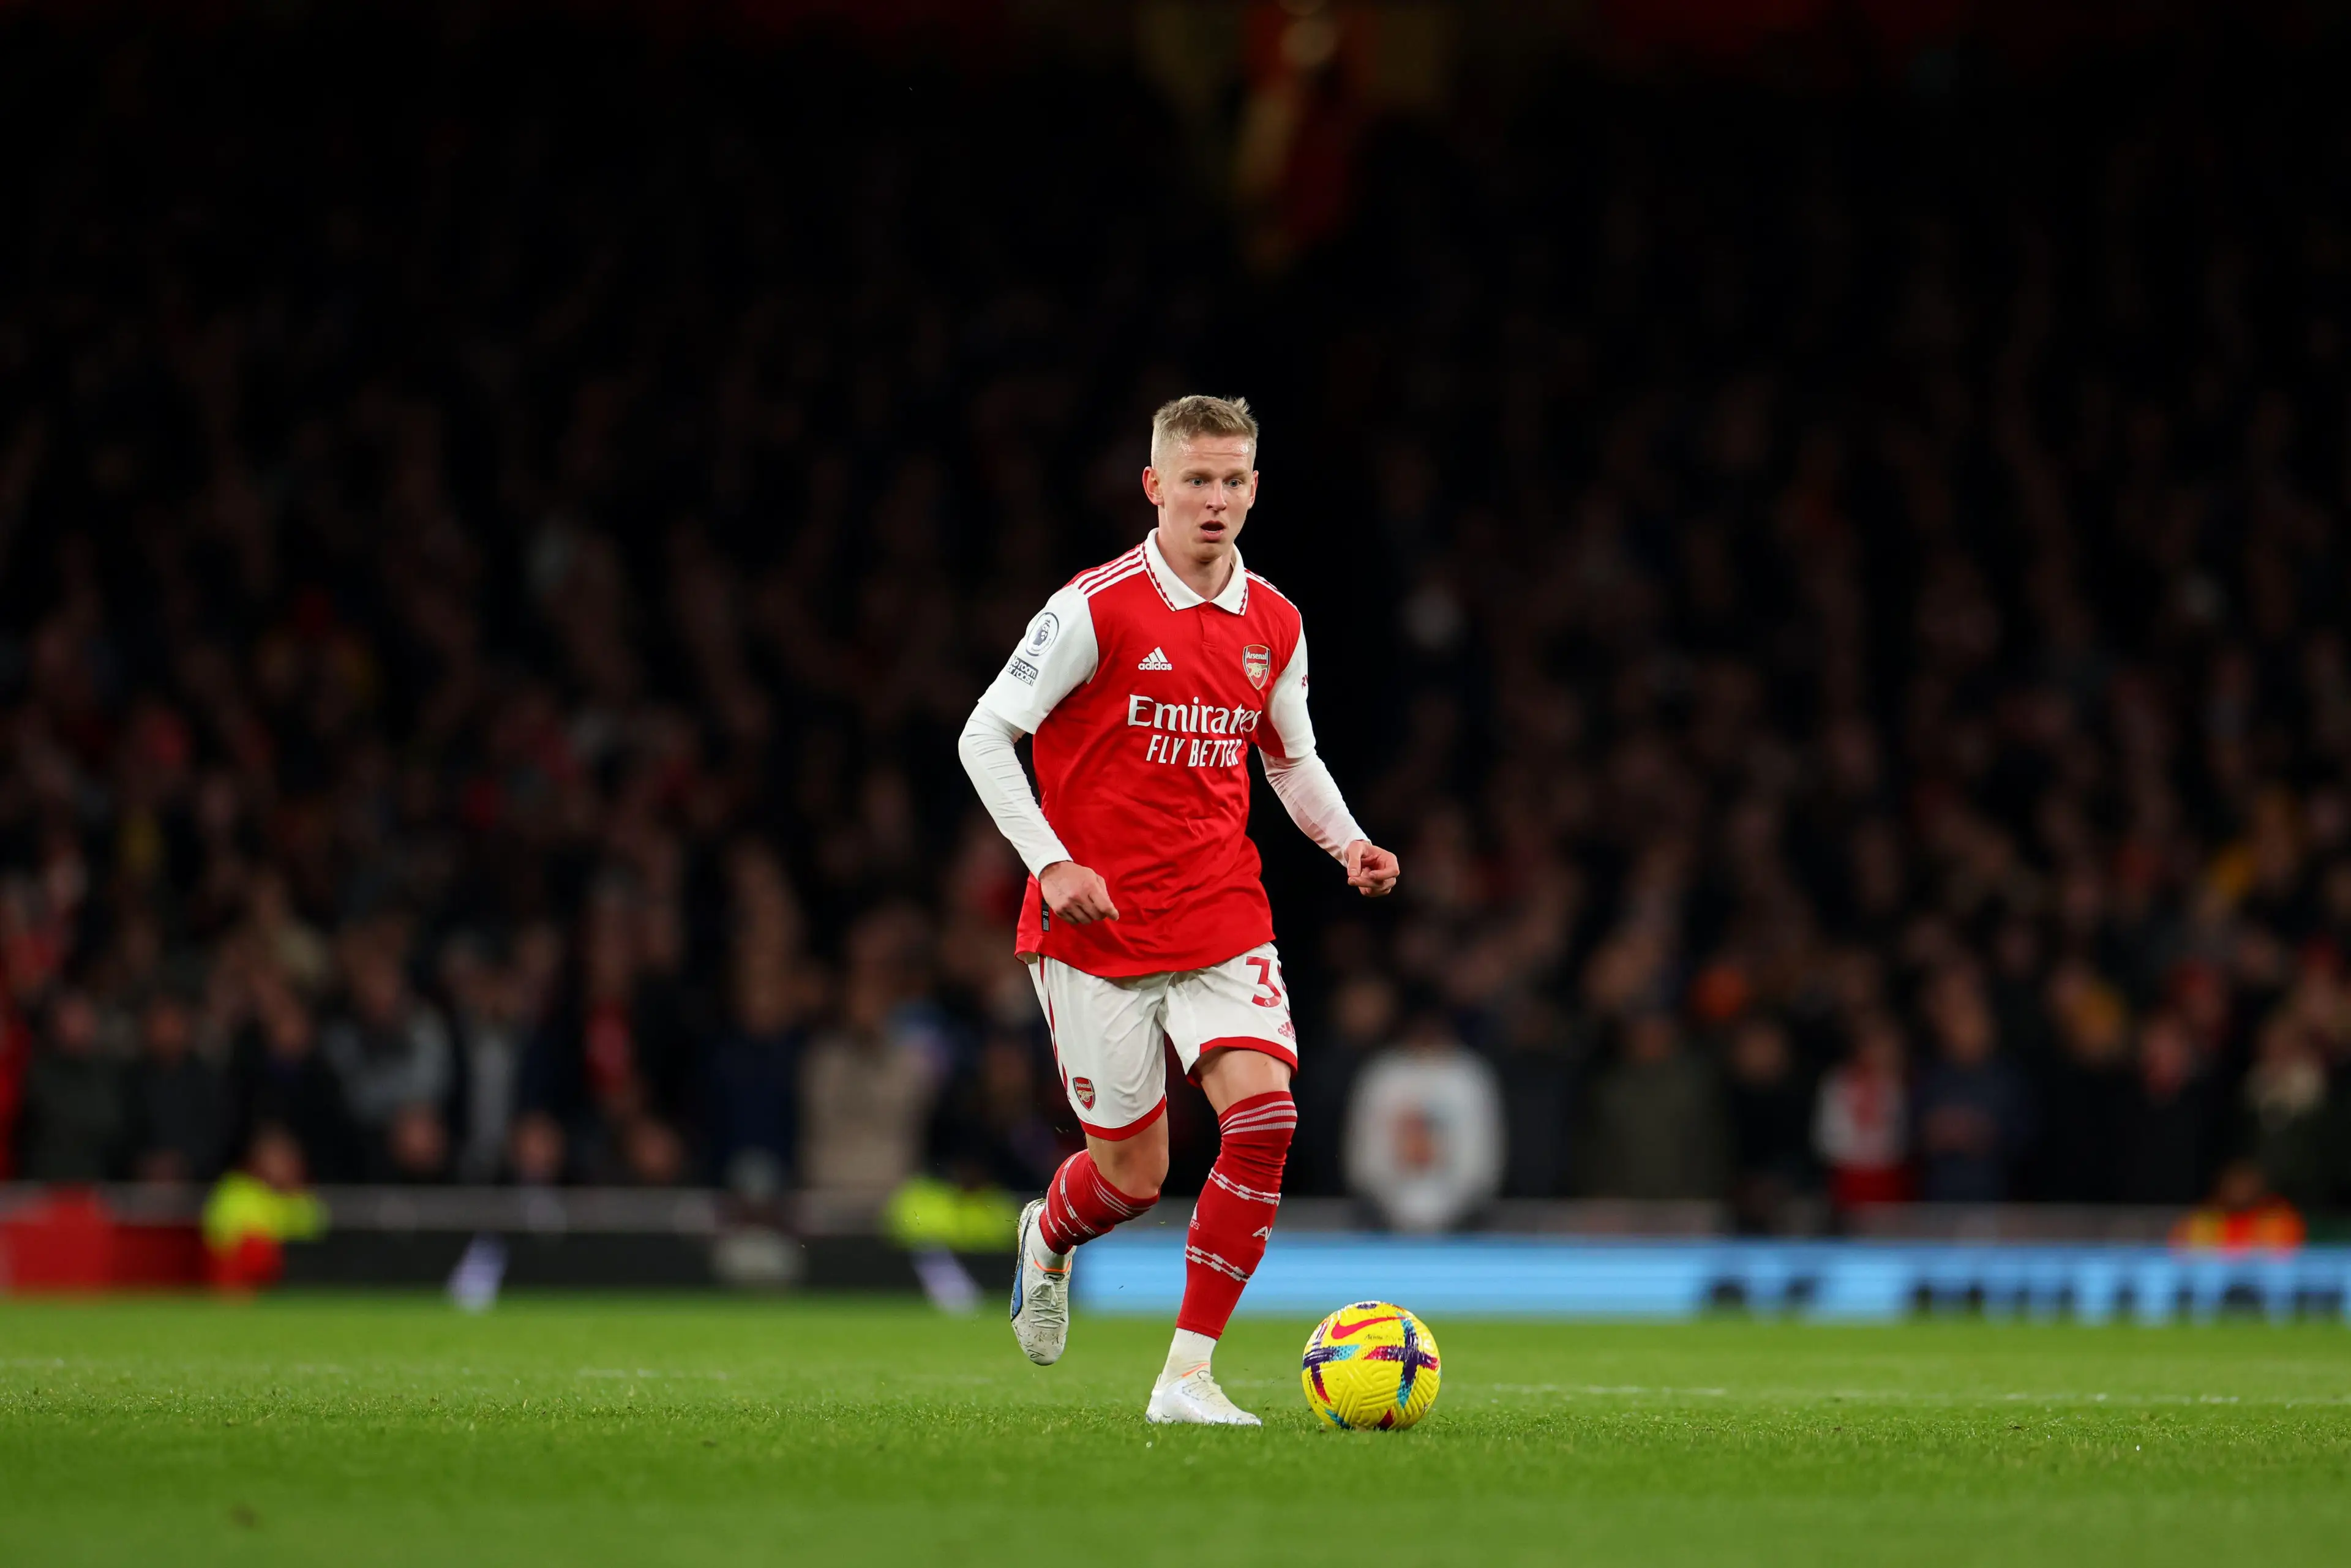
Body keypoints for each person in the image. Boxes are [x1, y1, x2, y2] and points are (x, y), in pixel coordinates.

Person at [957, 395, 1399, 1425]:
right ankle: (1049, 1236)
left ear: (1254, 488)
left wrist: (1349, 843)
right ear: (1154, 486)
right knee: (1132, 1176)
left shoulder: (1275, 621)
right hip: (1096, 927)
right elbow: (986, 736)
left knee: (1266, 1117)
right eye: (1195, 479)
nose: (1215, 499)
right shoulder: (1093, 607)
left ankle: (1186, 1378)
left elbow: (1291, 760)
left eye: (1233, 480)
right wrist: (1052, 863)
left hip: (1219, 914)